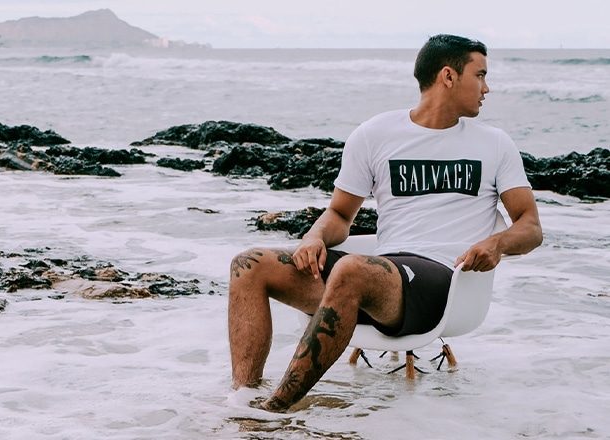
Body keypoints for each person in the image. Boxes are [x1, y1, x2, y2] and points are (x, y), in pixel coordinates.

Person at [227, 34, 543, 412]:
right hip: (378, 277)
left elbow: (530, 226)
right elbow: (342, 216)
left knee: (352, 270)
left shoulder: (494, 144)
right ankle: (243, 398)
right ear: (448, 76)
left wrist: (497, 243)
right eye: (480, 75)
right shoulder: (375, 134)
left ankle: (275, 410)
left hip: (442, 280)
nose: (487, 88)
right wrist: (314, 236)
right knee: (249, 266)